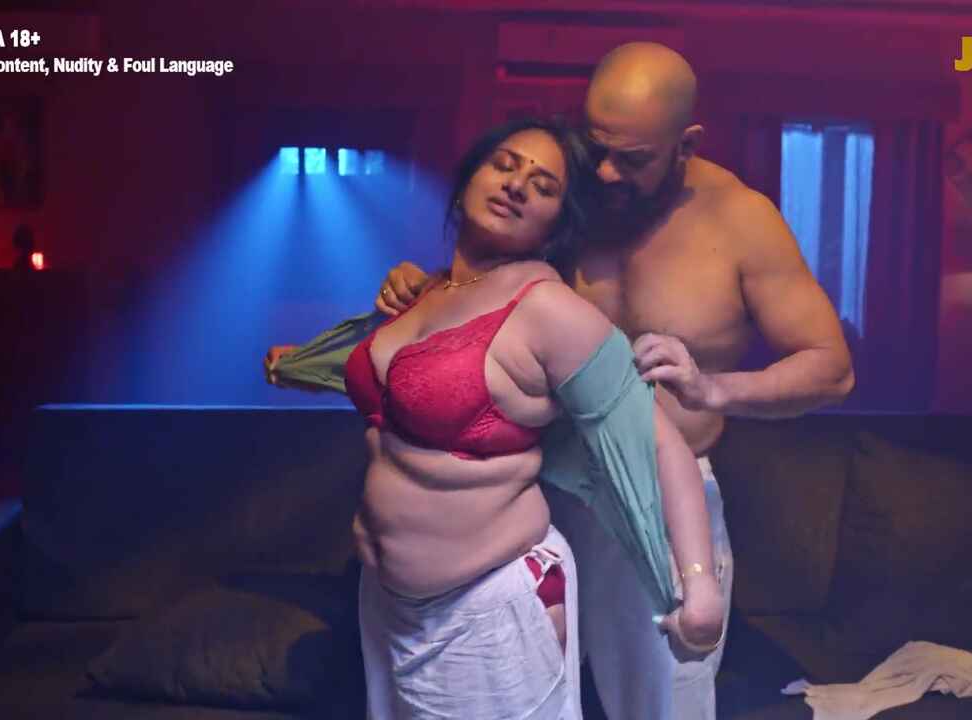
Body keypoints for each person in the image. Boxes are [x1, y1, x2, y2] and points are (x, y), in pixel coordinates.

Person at [363, 43, 855, 720]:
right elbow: (490, 285)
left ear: (686, 144)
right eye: (597, 148)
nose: (604, 171)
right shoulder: (570, 198)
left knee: (662, 707)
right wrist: (424, 288)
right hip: (543, 489)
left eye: (632, 158)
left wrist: (714, 391)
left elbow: (831, 368)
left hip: (659, 497)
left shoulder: (741, 220)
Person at [283, 117, 727, 719]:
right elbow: (385, 396)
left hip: (489, 607)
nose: (516, 186)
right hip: (387, 605)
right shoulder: (424, 295)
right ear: (467, 180)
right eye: (504, 164)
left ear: (556, 224)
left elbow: (660, 443)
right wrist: (300, 362)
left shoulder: (549, 311)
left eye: (543, 187)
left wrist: (700, 588)